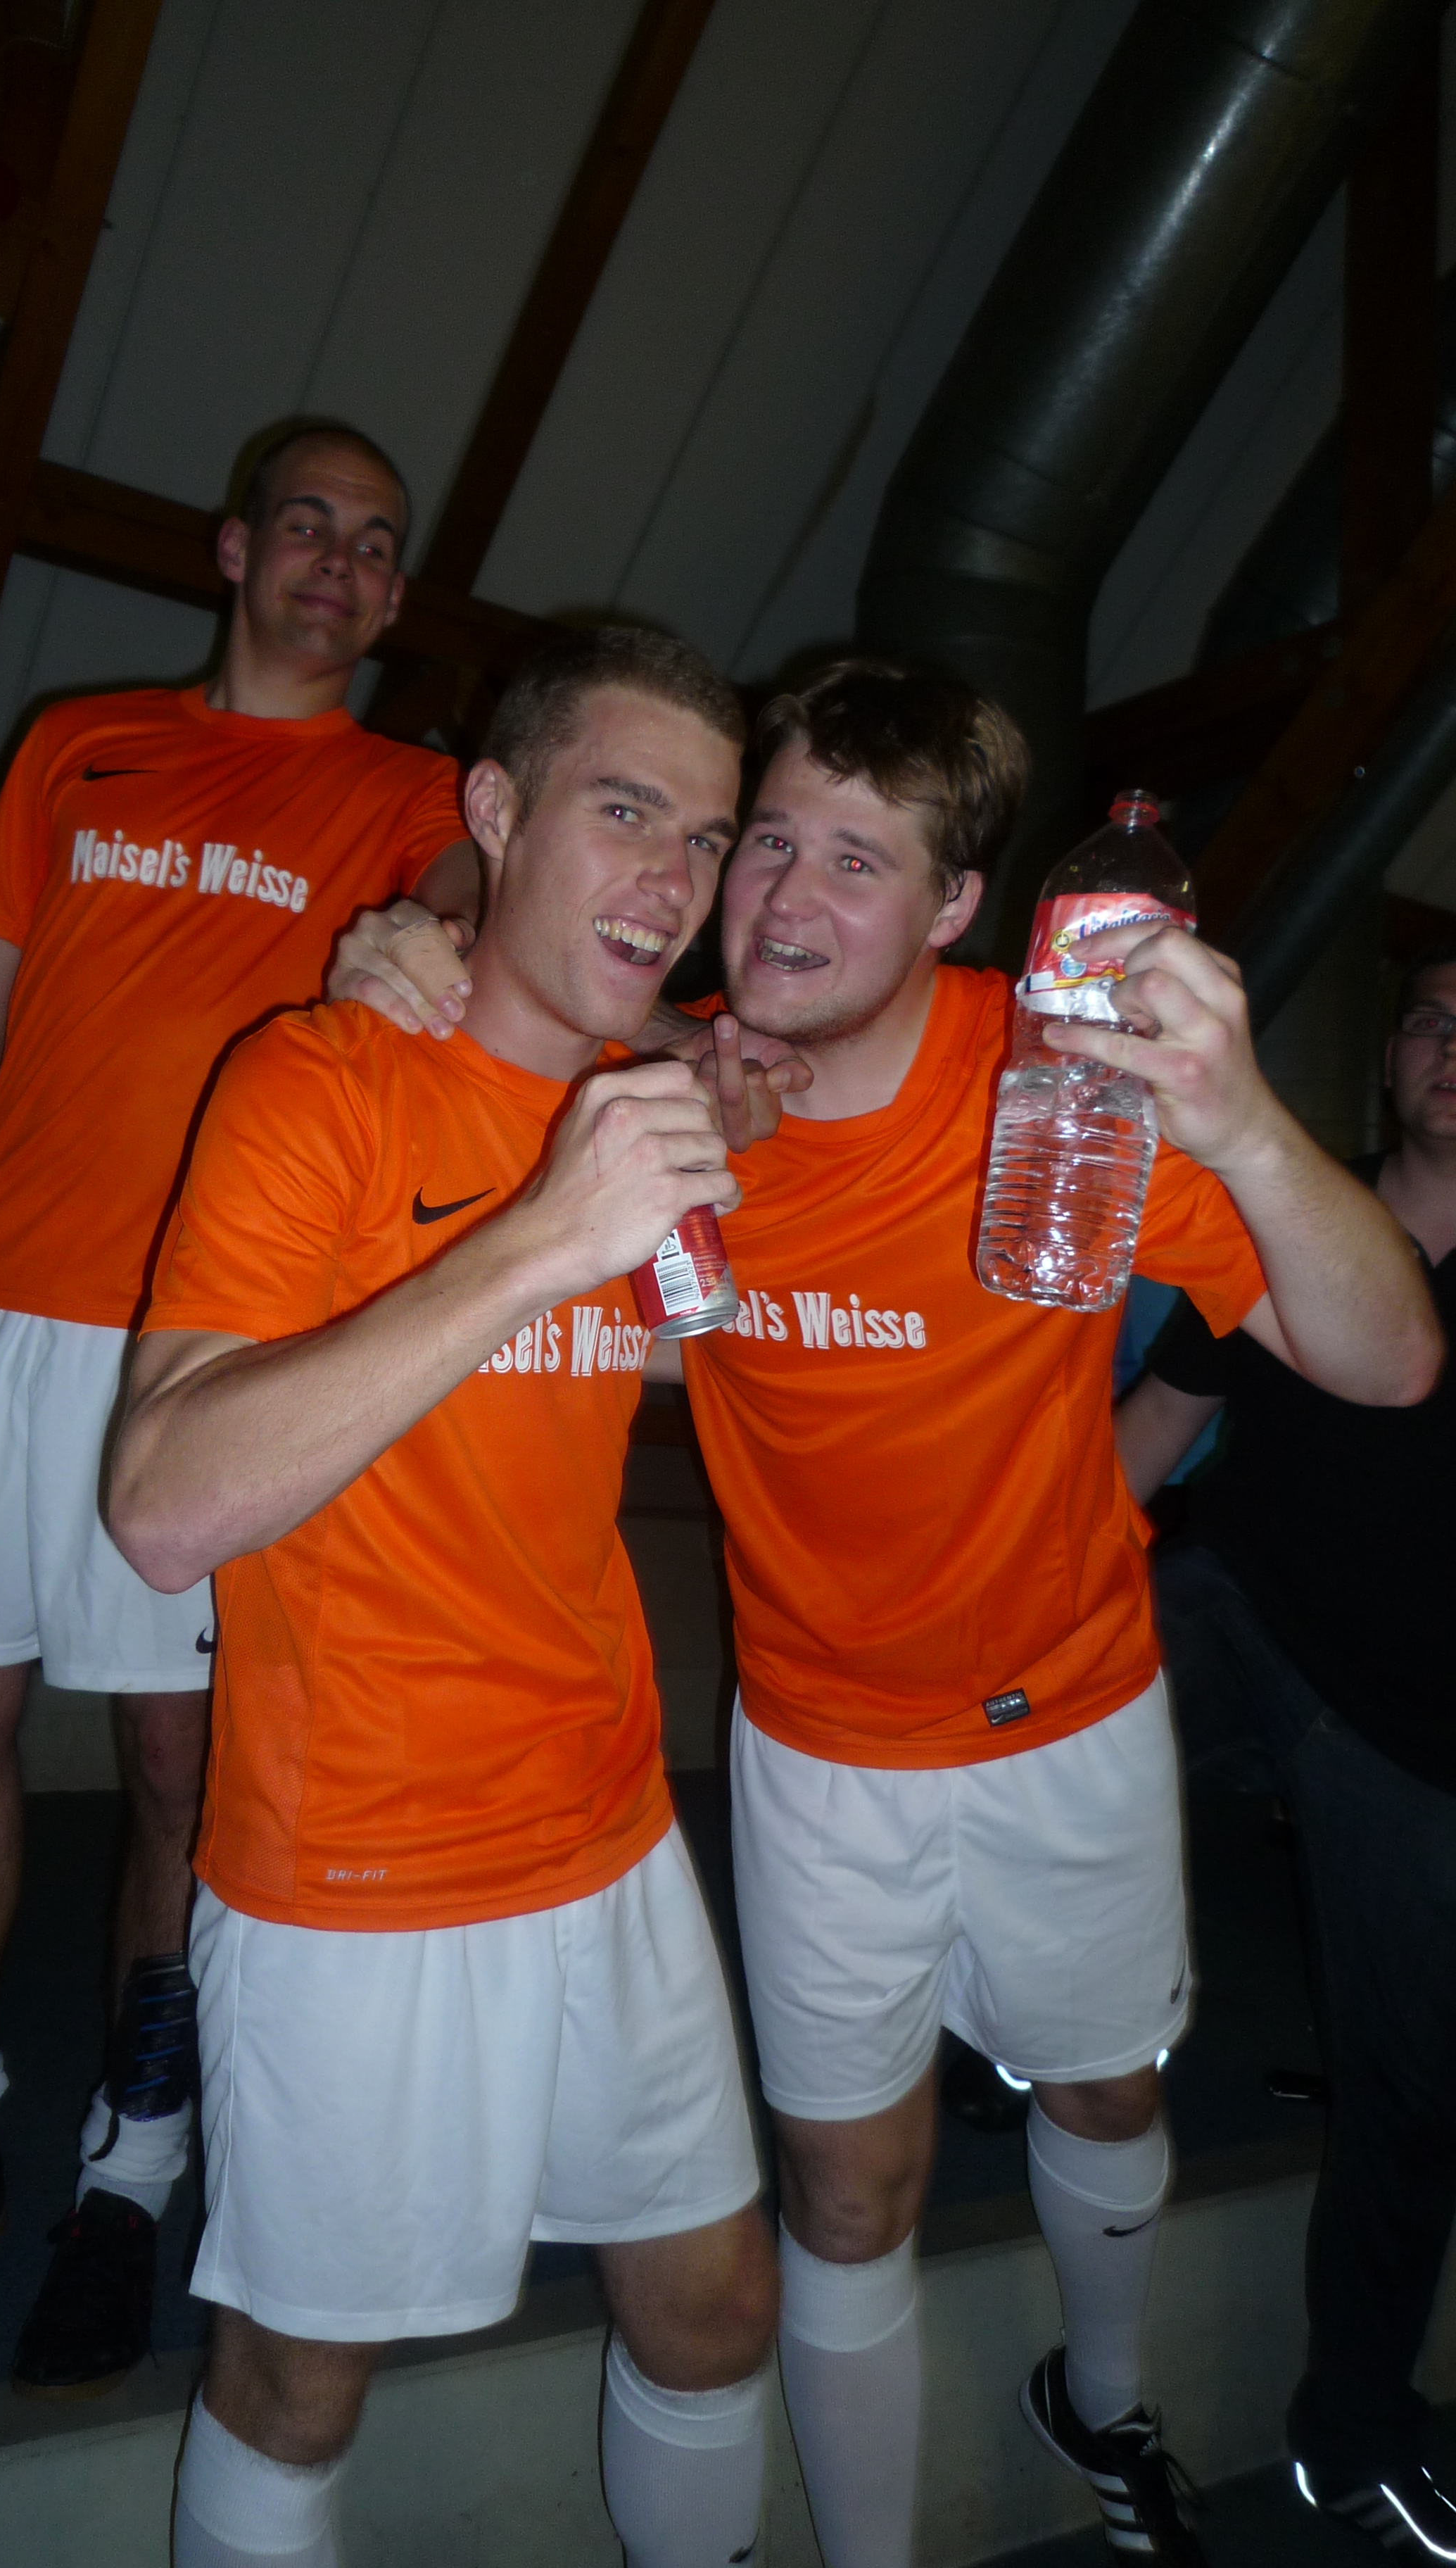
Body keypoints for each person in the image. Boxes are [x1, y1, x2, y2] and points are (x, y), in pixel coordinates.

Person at [343, 657, 1441, 2565]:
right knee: (849, 2199)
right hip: (821, 1748)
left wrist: (1250, 1126)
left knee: (1104, 2097)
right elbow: (461, 1069)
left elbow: (1391, 1361)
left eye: (856, 863)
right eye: (768, 840)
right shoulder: (662, 1101)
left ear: (955, 910)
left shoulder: (1064, 1079)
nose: (782, 897)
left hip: (1071, 1713)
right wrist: (404, 947)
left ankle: (1103, 2400)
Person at [0, 420, 475, 2396]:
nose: (338, 563)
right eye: (308, 525)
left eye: (376, 545)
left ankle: (132, 2177)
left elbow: (480, 926)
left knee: (175, 1770)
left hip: (213, 1337)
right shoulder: (81, 745)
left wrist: (438, 932)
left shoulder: (416, 798)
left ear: (396, 596)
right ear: (235, 549)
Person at [106, 625, 777, 2568]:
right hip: (361, 1861)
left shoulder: (649, 1109)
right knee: (297, 2385)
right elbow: (159, 1507)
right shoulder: (318, 1078)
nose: (671, 877)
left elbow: (636, 1365)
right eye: (624, 811)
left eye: (705, 837)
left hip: (605, 1820)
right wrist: (542, 1237)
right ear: (494, 808)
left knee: (716, 2312)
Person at [1115, 940, 1456, 2560]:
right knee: (1070, 1672)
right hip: (1236, 1625)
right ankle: (1013, 2021)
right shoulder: (1280, 1226)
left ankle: (1355, 2436)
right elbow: (1147, 1437)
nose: (1455, 1048)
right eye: (1434, 1021)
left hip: (1409, 1724)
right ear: (1389, 1058)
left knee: (1418, 2094)